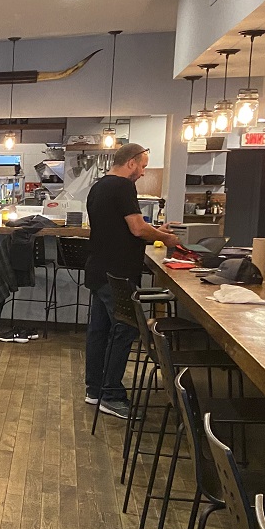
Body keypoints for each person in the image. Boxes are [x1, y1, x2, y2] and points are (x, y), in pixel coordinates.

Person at [84, 142, 181, 418]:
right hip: (117, 273)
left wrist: (155, 230)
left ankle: (95, 390)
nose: (143, 172)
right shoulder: (123, 186)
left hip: (99, 270)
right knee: (125, 329)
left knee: (100, 330)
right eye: (143, 166)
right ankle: (111, 395)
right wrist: (165, 237)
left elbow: (120, 227)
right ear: (131, 163)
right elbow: (137, 229)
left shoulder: (99, 186)